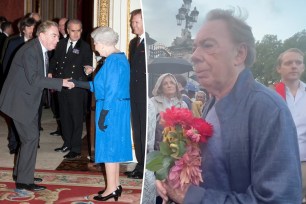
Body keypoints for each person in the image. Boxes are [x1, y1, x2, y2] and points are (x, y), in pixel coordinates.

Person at [156, 9, 302, 203]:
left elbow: (278, 199)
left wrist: (191, 197)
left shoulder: (268, 109)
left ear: (239, 54)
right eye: (195, 47)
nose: (194, 56)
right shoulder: (212, 103)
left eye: (208, 45)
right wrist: (174, 181)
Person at [0, 20, 74, 191]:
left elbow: (35, 74)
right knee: (30, 138)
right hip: (19, 101)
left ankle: (22, 174)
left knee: (31, 138)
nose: (58, 38)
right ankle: (24, 181)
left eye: (58, 35)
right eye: (54, 35)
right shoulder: (31, 51)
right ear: (41, 35)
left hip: (27, 100)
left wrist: (49, 76)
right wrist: (60, 82)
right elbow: (35, 79)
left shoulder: (40, 48)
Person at [70, 26, 132, 202]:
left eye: (95, 43)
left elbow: (111, 92)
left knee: (109, 149)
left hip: (110, 108)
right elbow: (100, 87)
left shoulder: (113, 61)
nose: (95, 47)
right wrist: (77, 83)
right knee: (112, 148)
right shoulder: (116, 59)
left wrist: (104, 114)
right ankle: (115, 186)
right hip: (114, 107)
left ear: (103, 43)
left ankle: (111, 189)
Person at [50, 19, 92, 159]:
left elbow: (88, 63)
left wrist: (88, 69)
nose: (76, 33)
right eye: (73, 30)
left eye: (79, 30)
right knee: (64, 116)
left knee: (76, 117)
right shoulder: (61, 44)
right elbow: (55, 60)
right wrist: (50, 73)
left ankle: (76, 147)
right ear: (67, 31)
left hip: (76, 87)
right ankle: (67, 143)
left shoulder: (85, 46)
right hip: (62, 85)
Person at [274, 48, 306, 200]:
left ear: (303, 67)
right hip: (278, 164)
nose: (294, 66)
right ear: (279, 68)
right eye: (288, 63)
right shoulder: (270, 94)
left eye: (298, 62)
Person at [2, 17, 36, 154]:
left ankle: (31, 142)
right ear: (23, 29)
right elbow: (6, 64)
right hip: (17, 86)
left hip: (32, 86)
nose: (32, 30)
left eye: (34, 27)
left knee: (31, 116)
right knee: (15, 115)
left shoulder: (37, 43)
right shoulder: (14, 42)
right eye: (29, 27)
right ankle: (14, 143)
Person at [125, 8, 146, 179]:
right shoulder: (133, 43)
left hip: (146, 96)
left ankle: (147, 166)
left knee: (146, 132)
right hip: (134, 94)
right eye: (132, 21)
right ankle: (140, 164)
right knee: (137, 130)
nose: (133, 25)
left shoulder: (153, 43)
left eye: (136, 22)